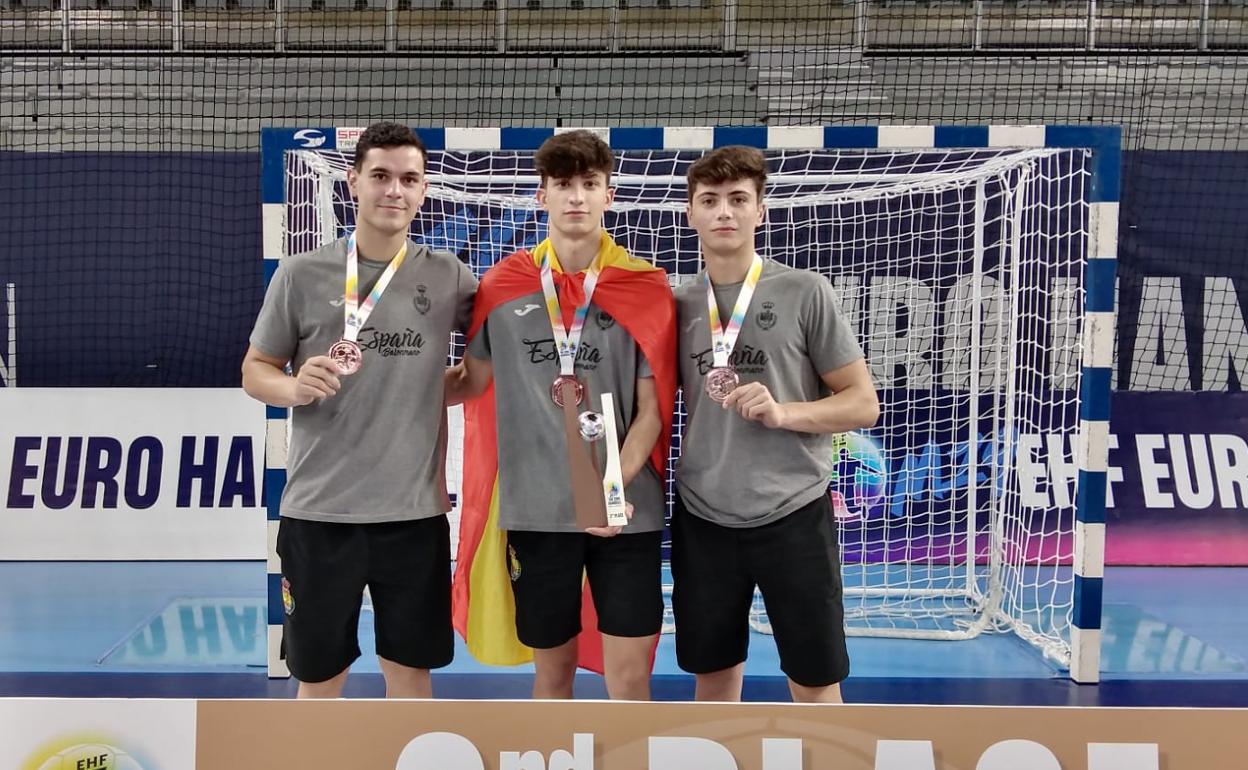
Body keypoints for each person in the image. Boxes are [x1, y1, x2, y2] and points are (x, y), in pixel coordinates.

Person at [242, 121, 477, 699]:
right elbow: (255, 371)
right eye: (380, 176)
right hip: (321, 514)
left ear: (423, 191)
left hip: (414, 517)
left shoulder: (448, 277)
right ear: (353, 183)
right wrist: (292, 388)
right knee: (319, 675)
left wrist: (436, 386)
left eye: (408, 179)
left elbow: (496, 358)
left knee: (411, 673)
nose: (394, 190)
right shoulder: (301, 274)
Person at [448, 130, 677, 701]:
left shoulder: (644, 286)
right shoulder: (502, 285)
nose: (577, 197)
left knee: (629, 676)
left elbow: (652, 411)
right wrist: (388, 379)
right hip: (537, 512)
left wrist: (611, 488)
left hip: (625, 513)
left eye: (589, 185)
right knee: (552, 675)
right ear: (541, 196)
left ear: (610, 195)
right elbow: (469, 382)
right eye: (563, 185)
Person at [672, 145, 880, 704]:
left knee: (815, 683)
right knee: (712, 680)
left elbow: (863, 404)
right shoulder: (677, 302)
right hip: (703, 515)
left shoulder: (805, 292)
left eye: (739, 200)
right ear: (690, 212)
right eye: (710, 200)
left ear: (760, 210)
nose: (724, 213)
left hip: (794, 512)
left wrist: (787, 413)